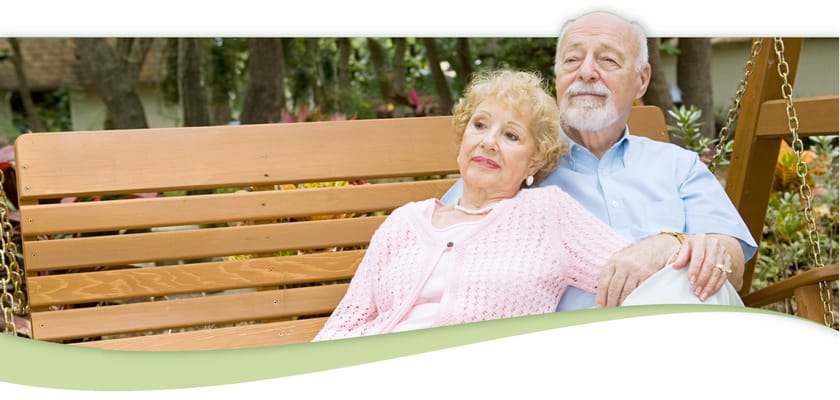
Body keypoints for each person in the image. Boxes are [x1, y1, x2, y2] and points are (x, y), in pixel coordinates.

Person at [442, 11, 757, 308]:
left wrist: (667, 246)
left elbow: (730, 264)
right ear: (558, 75)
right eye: (572, 60)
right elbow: (443, 246)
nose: (587, 72)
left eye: (607, 60)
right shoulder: (517, 161)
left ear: (641, 79)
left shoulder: (678, 166)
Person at [313, 70, 631, 341]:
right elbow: (345, 323)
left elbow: (638, 270)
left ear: (534, 161)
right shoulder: (403, 223)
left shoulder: (546, 214)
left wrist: (671, 243)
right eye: (479, 125)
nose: (488, 142)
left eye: (510, 135)